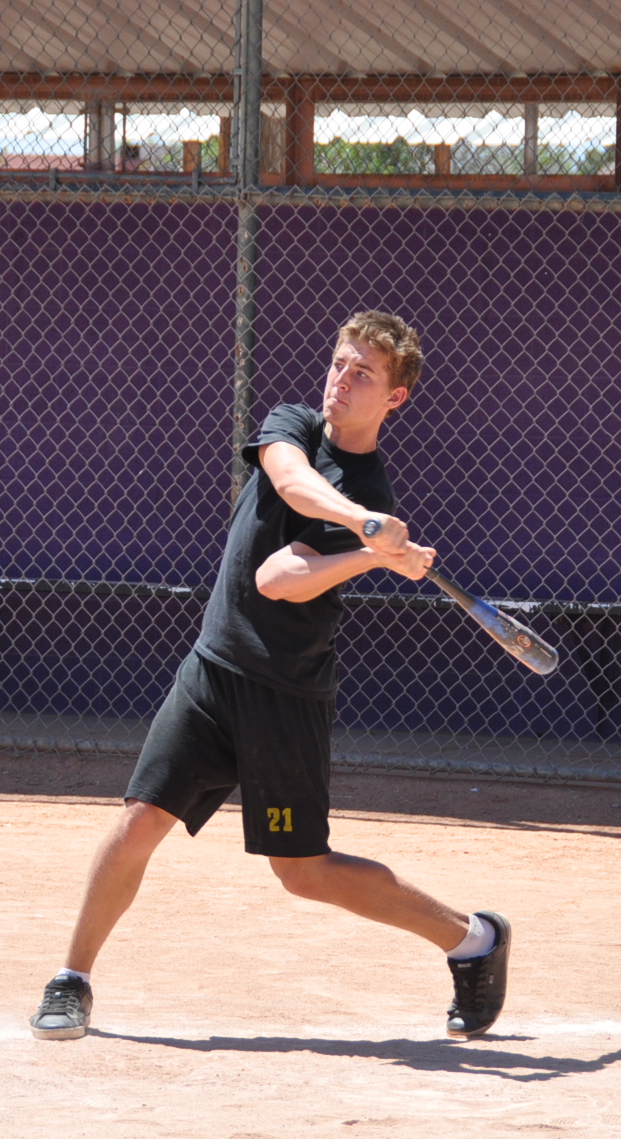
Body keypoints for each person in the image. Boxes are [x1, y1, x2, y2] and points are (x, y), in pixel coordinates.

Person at [30, 310, 511, 1041]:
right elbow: (288, 481)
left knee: (304, 872)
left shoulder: (371, 488)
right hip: (214, 670)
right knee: (140, 820)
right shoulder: (295, 425)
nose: (341, 380)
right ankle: (72, 980)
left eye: (364, 374)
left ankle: (473, 938)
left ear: (395, 398)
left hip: (286, 693)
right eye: (340, 363)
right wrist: (367, 532)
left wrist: (368, 552)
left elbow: (280, 579)